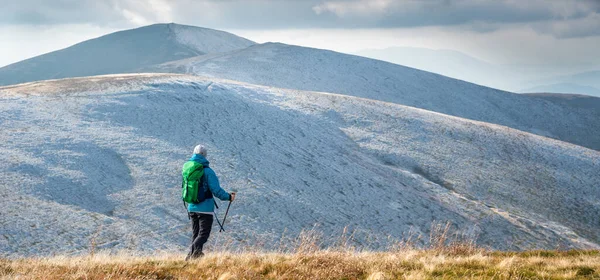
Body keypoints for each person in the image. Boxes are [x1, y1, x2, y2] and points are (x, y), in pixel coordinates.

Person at [185, 144, 236, 260]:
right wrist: (228, 197)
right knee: (203, 235)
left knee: (196, 234)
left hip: (191, 207)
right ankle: (190, 256)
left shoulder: (188, 169)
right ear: (205, 155)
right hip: (205, 209)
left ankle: (195, 258)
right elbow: (216, 190)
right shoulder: (208, 171)